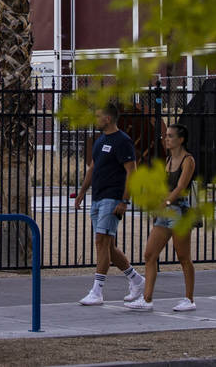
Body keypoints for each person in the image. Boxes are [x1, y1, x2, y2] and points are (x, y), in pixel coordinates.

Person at [74, 101, 147, 305]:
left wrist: (124, 200)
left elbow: (131, 172)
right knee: (109, 247)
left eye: (98, 116)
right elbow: (92, 168)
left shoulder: (123, 141)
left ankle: (97, 291)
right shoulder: (99, 141)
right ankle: (136, 279)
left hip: (113, 197)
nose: (95, 120)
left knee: (101, 242)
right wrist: (81, 193)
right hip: (97, 197)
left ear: (107, 118)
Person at [125, 123, 197, 312]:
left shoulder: (188, 160)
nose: (166, 139)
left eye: (171, 136)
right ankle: (147, 299)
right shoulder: (167, 160)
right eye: (166, 135)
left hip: (179, 211)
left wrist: (163, 203)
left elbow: (181, 187)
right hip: (165, 212)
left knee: (183, 257)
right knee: (150, 254)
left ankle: (189, 299)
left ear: (180, 140)